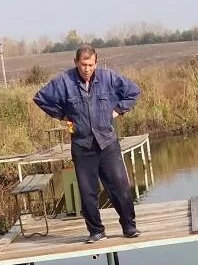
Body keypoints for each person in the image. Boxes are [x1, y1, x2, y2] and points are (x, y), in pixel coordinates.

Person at [33, 45, 142, 243]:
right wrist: (62, 115)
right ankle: (96, 231)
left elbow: (133, 92)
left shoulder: (108, 78)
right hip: (82, 145)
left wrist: (118, 109)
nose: (87, 68)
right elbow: (40, 98)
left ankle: (129, 226)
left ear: (96, 63)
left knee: (119, 185)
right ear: (76, 63)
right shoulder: (64, 81)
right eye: (83, 64)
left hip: (107, 142)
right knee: (87, 190)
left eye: (91, 64)